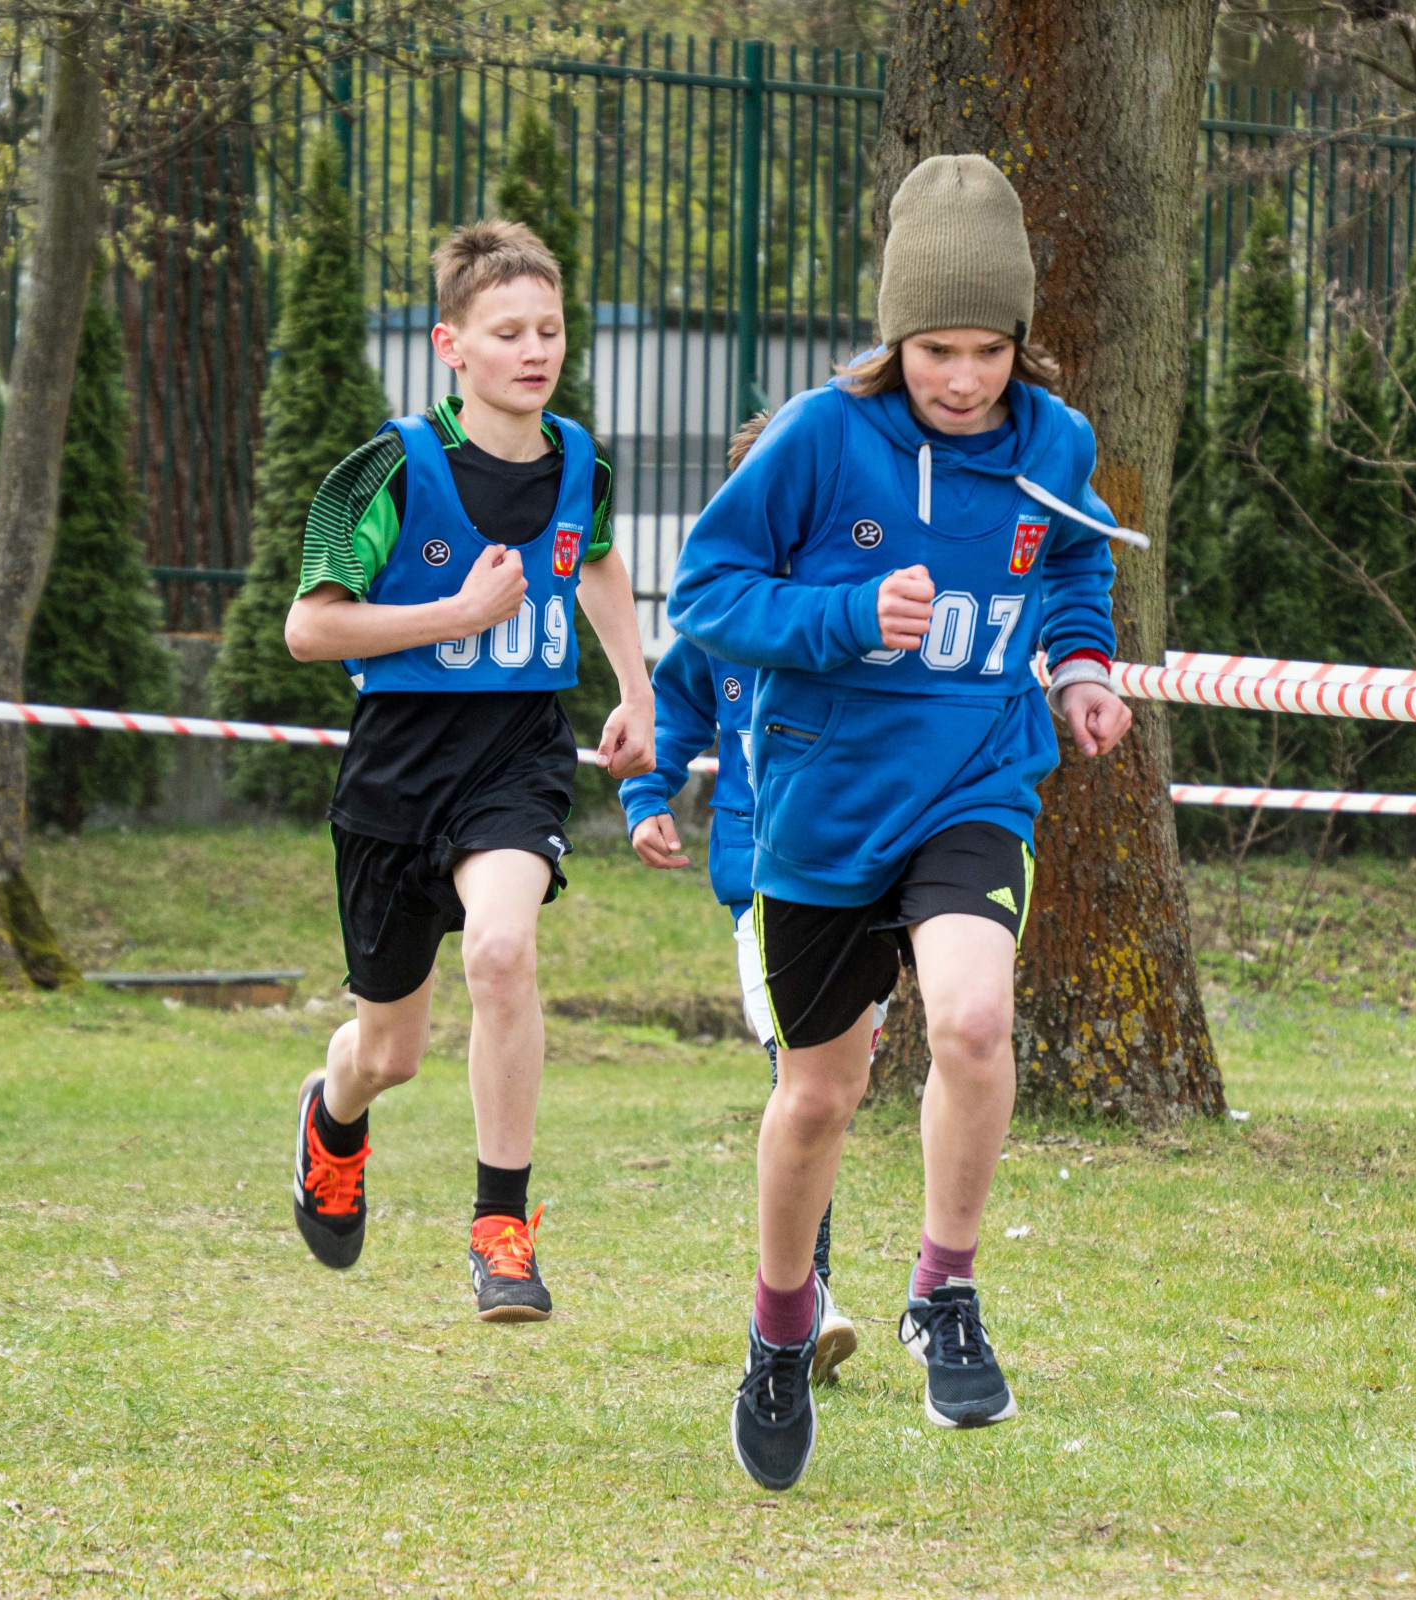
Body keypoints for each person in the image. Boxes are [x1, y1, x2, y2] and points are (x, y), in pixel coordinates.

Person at [667, 153, 1135, 1491]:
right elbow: (705, 595)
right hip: (824, 809)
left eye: (990, 349)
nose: (966, 379)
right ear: (895, 338)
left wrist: (1081, 669)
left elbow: (1077, 561)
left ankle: (946, 1289)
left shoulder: (1055, 442)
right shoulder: (821, 436)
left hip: (977, 782)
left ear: (1020, 341)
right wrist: (845, 617)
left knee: (975, 1023)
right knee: (821, 1094)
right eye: (938, 350)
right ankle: (779, 1327)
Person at [280, 218, 654, 1322]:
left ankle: (501, 1227)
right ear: (450, 344)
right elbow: (308, 629)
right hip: (397, 768)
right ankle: (333, 1113)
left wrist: (635, 687)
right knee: (388, 1053)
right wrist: (457, 612)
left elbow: (595, 559)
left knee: (500, 949)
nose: (535, 351)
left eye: (550, 329)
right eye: (507, 333)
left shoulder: (581, 461)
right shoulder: (387, 468)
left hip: (516, 756)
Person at [618, 415, 873, 1386]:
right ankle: (807, 1301)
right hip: (764, 890)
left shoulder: (871, 600)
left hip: (868, 875)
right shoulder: (721, 617)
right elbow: (673, 710)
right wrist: (648, 796)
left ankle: (813, 1300)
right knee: (800, 1079)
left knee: (832, 1090)